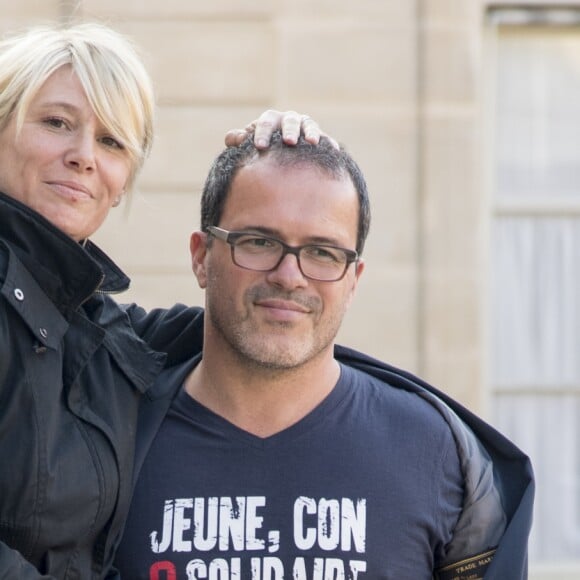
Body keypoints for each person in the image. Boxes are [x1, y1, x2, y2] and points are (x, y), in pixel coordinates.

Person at [114, 132, 534, 579]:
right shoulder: (110, 438)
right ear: (202, 257)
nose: (290, 276)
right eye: (259, 241)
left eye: (321, 252)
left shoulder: (432, 450)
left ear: (353, 279)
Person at [0, 21, 327, 579]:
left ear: (123, 177)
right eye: (57, 122)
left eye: (111, 141)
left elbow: (248, 322)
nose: (83, 156)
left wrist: (276, 163)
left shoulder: (94, 327)